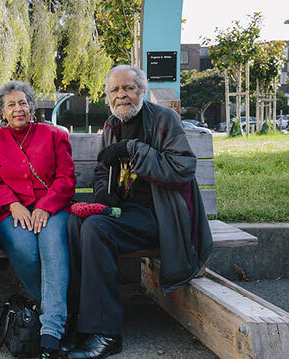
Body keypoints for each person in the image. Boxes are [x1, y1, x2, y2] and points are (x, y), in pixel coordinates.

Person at [63, 65, 213, 359]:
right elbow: (101, 169)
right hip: (125, 211)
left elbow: (183, 168)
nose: (122, 95)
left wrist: (132, 149)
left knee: (96, 229)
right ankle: (78, 323)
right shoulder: (111, 126)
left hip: (160, 214)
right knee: (75, 223)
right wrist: (101, 193)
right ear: (107, 96)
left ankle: (106, 333)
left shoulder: (163, 120)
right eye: (115, 90)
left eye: (129, 88)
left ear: (141, 91)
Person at [0, 81, 76, 358]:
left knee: (53, 252)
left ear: (31, 107)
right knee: (26, 251)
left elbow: (66, 178)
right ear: (2, 112)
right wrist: (12, 204)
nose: (18, 108)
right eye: (11, 105)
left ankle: (51, 335)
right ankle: (64, 311)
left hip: (53, 209)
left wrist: (46, 206)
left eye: (22, 103)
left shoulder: (55, 134)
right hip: (13, 213)